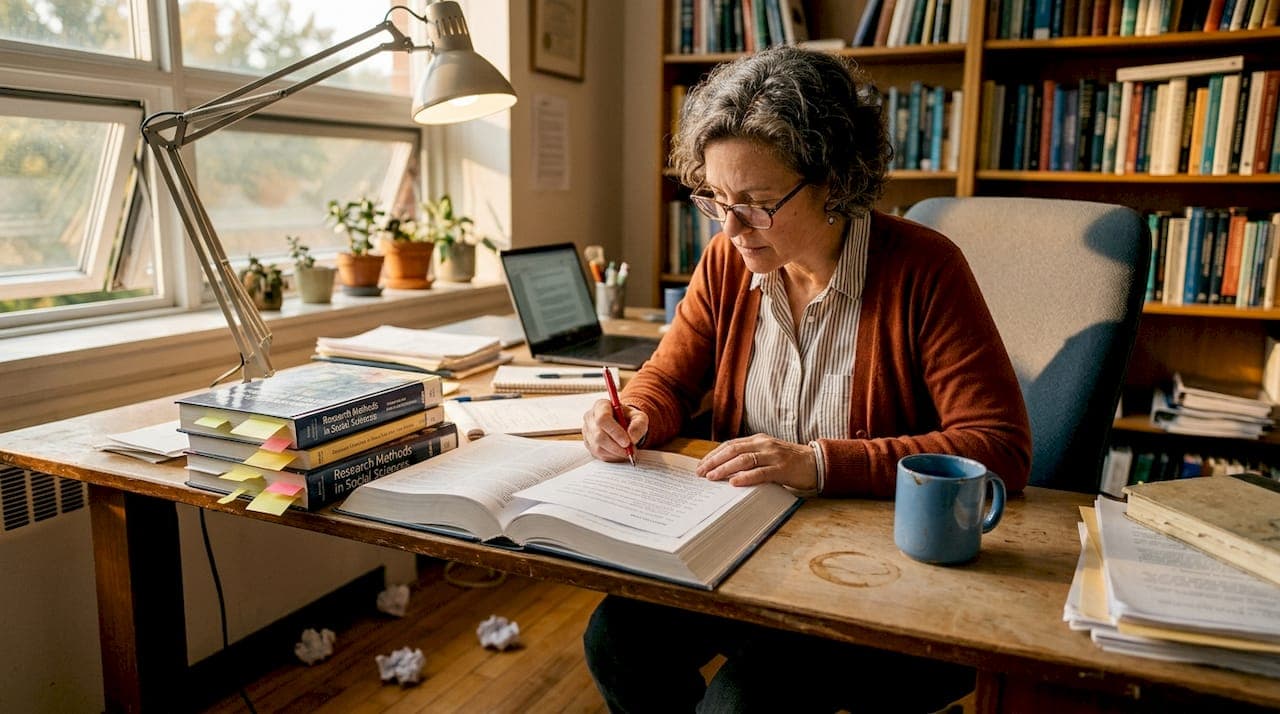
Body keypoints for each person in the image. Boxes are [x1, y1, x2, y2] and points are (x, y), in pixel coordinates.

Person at [580, 45, 1031, 713]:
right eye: (716, 199)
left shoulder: (925, 270)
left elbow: (998, 446)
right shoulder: (728, 264)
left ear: (834, 180)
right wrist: (635, 414)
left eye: (757, 204)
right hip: (746, 552)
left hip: (869, 576)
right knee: (615, 637)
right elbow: (667, 382)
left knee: (742, 704)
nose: (731, 228)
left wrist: (818, 463)